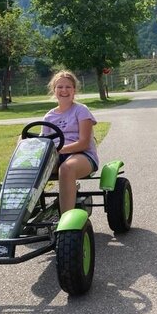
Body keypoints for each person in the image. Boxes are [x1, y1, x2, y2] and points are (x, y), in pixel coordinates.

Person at [41, 70, 99, 213]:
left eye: (68, 87)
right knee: (31, 168)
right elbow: (43, 142)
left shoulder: (81, 110)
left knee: (66, 169)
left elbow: (84, 143)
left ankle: (66, 219)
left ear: (74, 90)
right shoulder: (48, 117)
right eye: (60, 87)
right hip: (55, 157)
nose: (64, 90)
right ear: (54, 90)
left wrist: (58, 150)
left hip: (82, 155)